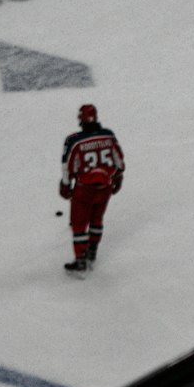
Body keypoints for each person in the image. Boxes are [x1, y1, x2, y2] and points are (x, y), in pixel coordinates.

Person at [60, 103, 125, 273]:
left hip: (84, 189)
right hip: (105, 186)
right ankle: (92, 251)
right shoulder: (108, 136)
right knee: (97, 220)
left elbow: (67, 166)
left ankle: (81, 259)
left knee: (79, 225)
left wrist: (66, 185)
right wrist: (118, 176)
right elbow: (119, 160)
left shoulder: (74, 140)